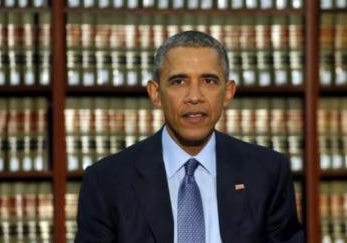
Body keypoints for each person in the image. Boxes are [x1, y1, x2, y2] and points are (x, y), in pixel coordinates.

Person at [75, 31, 304, 243]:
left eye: (209, 81)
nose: (194, 97)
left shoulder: (267, 172)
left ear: (228, 92)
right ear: (155, 94)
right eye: (179, 82)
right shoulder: (106, 181)